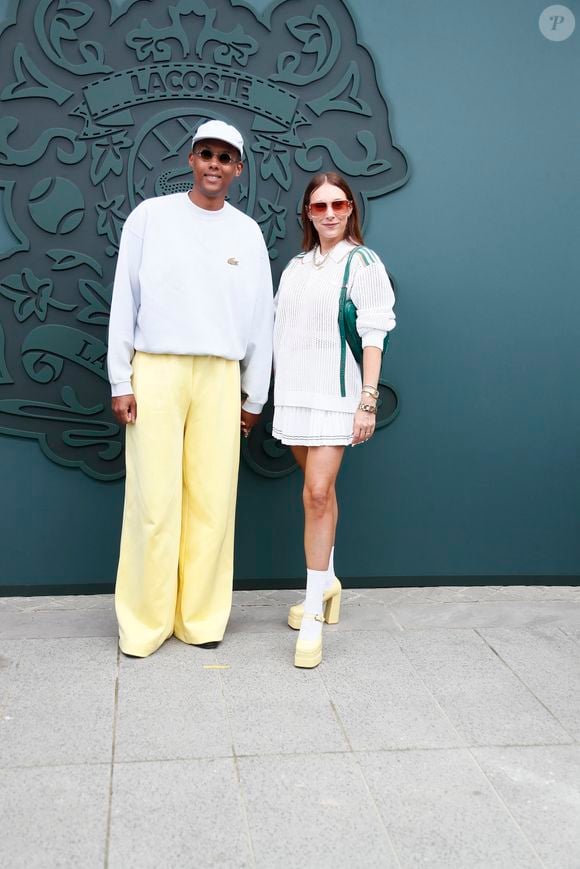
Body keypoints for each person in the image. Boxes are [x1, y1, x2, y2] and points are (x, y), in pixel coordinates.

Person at [107, 119, 273, 658]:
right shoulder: (150, 217)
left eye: (226, 158)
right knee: (153, 500)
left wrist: (254, 396)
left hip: (221, 375)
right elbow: (123, 302)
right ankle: (143, 624)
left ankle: (200, 619)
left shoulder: (246, 232)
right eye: (206, 154)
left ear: (238, 170)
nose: (214, 165)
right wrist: (120, 377)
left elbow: (260, 319)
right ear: (190, 159)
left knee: (213, 501)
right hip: (156, 367)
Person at [272, 172, 396, 668]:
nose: (328, 214)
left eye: (337, 205)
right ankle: (328, 583)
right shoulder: (298, 266)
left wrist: (367, 399)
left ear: (351, 210)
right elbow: (279, 329)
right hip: (296, 394)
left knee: (317, 495)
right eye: (319, 206)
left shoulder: (363, 263)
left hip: (337, 395)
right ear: (306, 213)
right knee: (317, 492)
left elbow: (374, 333)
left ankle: (314, 618)